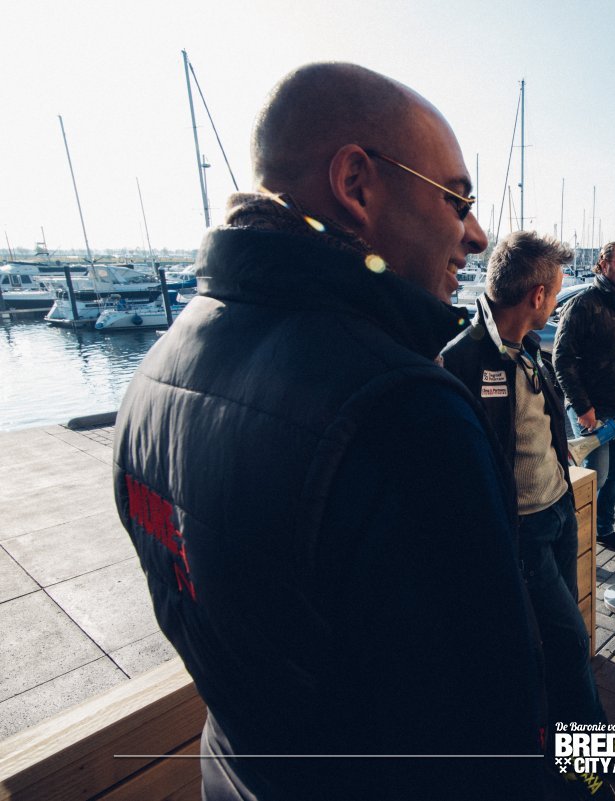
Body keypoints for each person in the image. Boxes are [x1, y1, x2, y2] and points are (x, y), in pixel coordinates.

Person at [112, 63, 547, 800]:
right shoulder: (404, 412)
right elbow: (486, 729)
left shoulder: (156, 368)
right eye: (457, 199)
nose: (476, 235)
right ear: (356, 184)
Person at [442, 231, 615, 799]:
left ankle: (567, 751)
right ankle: (590, 758)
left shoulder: (528, 349)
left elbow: (540, 428)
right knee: (567, 642)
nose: (558, 303)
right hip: (521, 534)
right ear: (538, 296)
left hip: (558, 514)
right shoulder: (461, 361)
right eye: (556, 292)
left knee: (565, 642)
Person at [552, 241, 615, 555]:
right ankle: (577, 538)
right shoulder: (582, 305)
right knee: (595, 476)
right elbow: (562, 359)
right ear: (603, 264)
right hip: (592, 409)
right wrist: (582, 407)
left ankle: (603, 530)